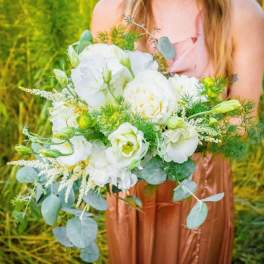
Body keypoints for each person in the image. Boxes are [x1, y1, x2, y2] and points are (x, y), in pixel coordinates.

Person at [91, 0, 264, 263]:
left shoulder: (242, 13)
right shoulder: (112, 10)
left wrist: (170, 130)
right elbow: (97, 105)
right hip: (133, 188)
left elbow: (243, 120)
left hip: (200, 189)